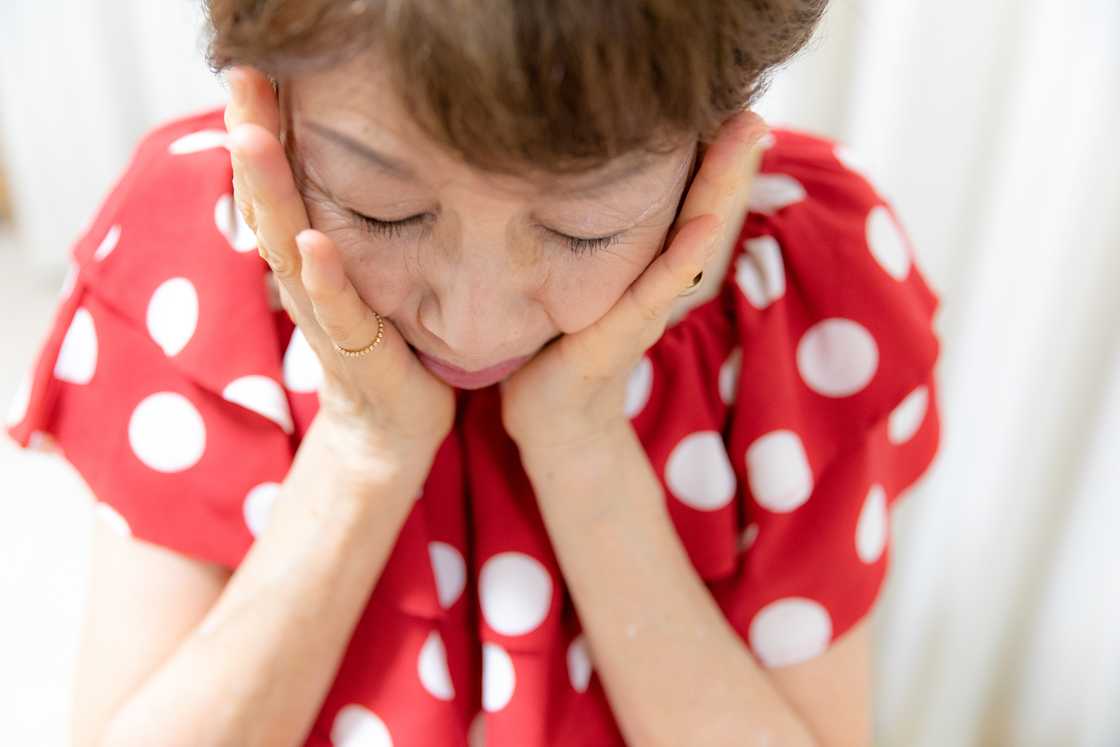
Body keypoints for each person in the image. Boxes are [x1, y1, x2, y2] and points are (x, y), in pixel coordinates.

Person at [5, 1, 943, 744]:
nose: (469, 322)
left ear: (716, 146)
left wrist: (582, 449)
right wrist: (364, 448)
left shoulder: (798, 299)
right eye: (383, 211)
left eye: (585, 229)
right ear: (270, 103)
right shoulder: (199, 259)